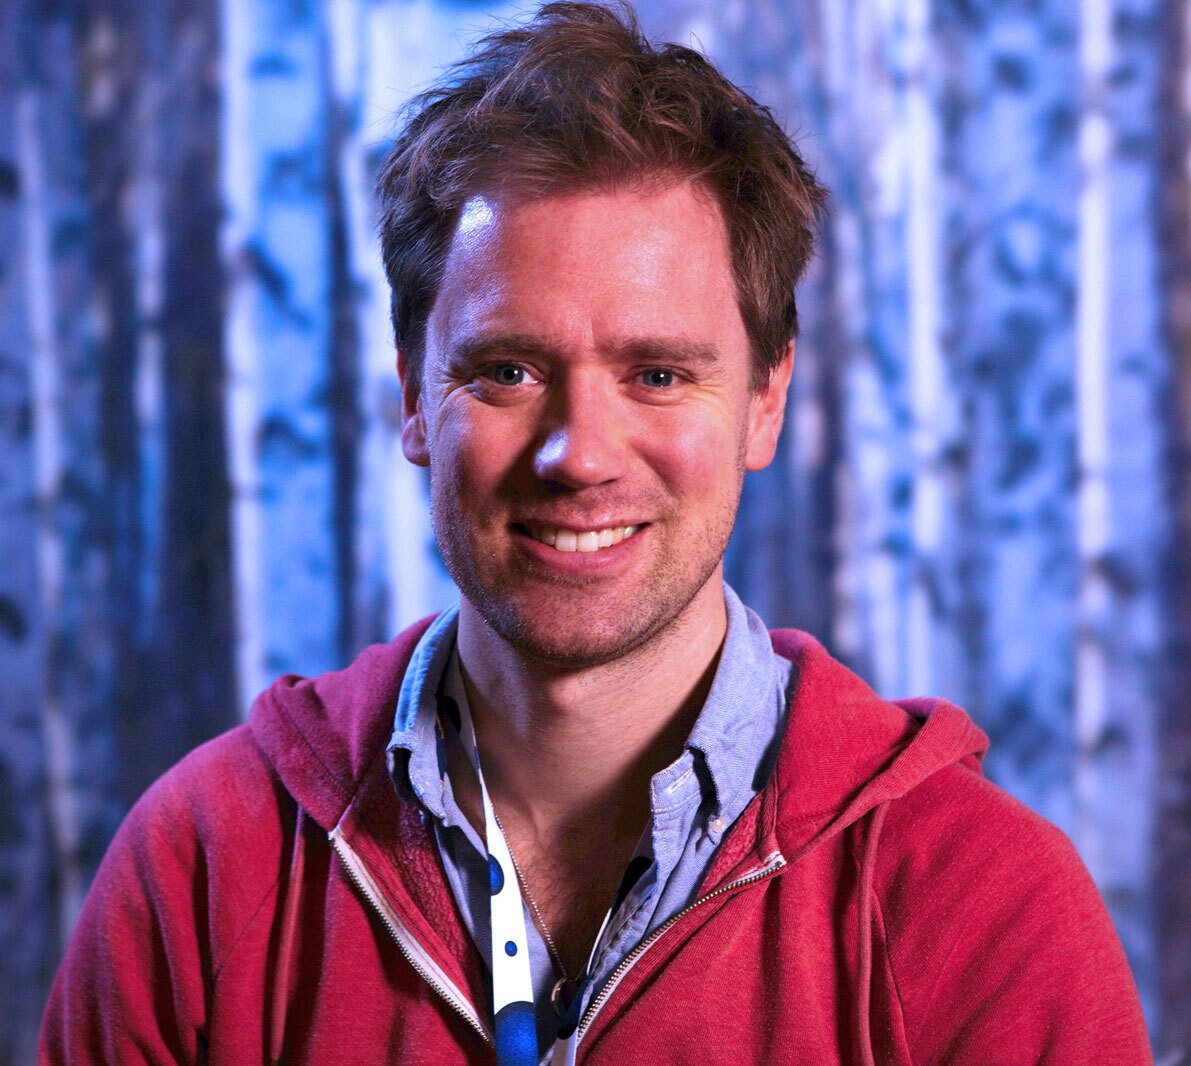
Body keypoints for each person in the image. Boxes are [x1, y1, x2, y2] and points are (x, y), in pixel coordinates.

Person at [41, 3, 1151, 1063]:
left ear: (766, 402)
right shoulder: (200, 869)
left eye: (658, 373)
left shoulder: (984, 909)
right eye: (507, 370)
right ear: (415, 400)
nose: (579, 452)